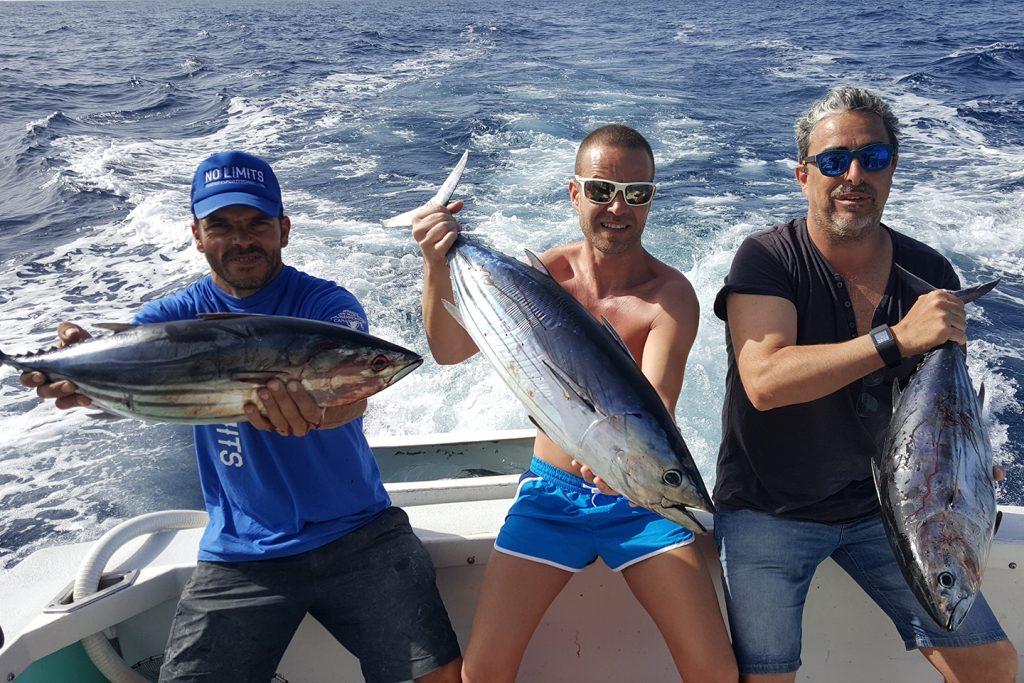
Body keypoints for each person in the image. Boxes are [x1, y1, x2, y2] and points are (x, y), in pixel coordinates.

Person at [22, 151, 462, 683]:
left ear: (284, 228)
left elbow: (352, 397)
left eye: (257, 223)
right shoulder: (171, 318)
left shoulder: (326, 306)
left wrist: (321, 414)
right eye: (221, 226)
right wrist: (79, 374)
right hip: (240, 550)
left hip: (360, 535)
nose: (241, 239)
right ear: (197, 234)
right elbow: (132, 372)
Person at [712, 86, 1017, 682]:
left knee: (991, 665)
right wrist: (895, 338)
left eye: (872, 159)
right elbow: (765, 381)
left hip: (889, 513)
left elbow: (945, 409)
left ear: (892, 170)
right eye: (834, 161)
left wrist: (969, 464)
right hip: (768, 511)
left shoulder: (930, 274)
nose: (853, 175)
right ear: (804, 175)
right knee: (768, 677)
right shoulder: (767, 259)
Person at [411, 125, 737, 683]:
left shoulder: (670, 293)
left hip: (639, 500)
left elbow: (654, 398)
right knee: (483, 671)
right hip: (550, 496)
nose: (618, 207)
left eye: (636, 193)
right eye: (602, 189)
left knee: (713, 670)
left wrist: (620, 463)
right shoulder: (541, 277)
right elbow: (447, 351)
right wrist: (436, 261)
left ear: (651, 198)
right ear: (574, 194)